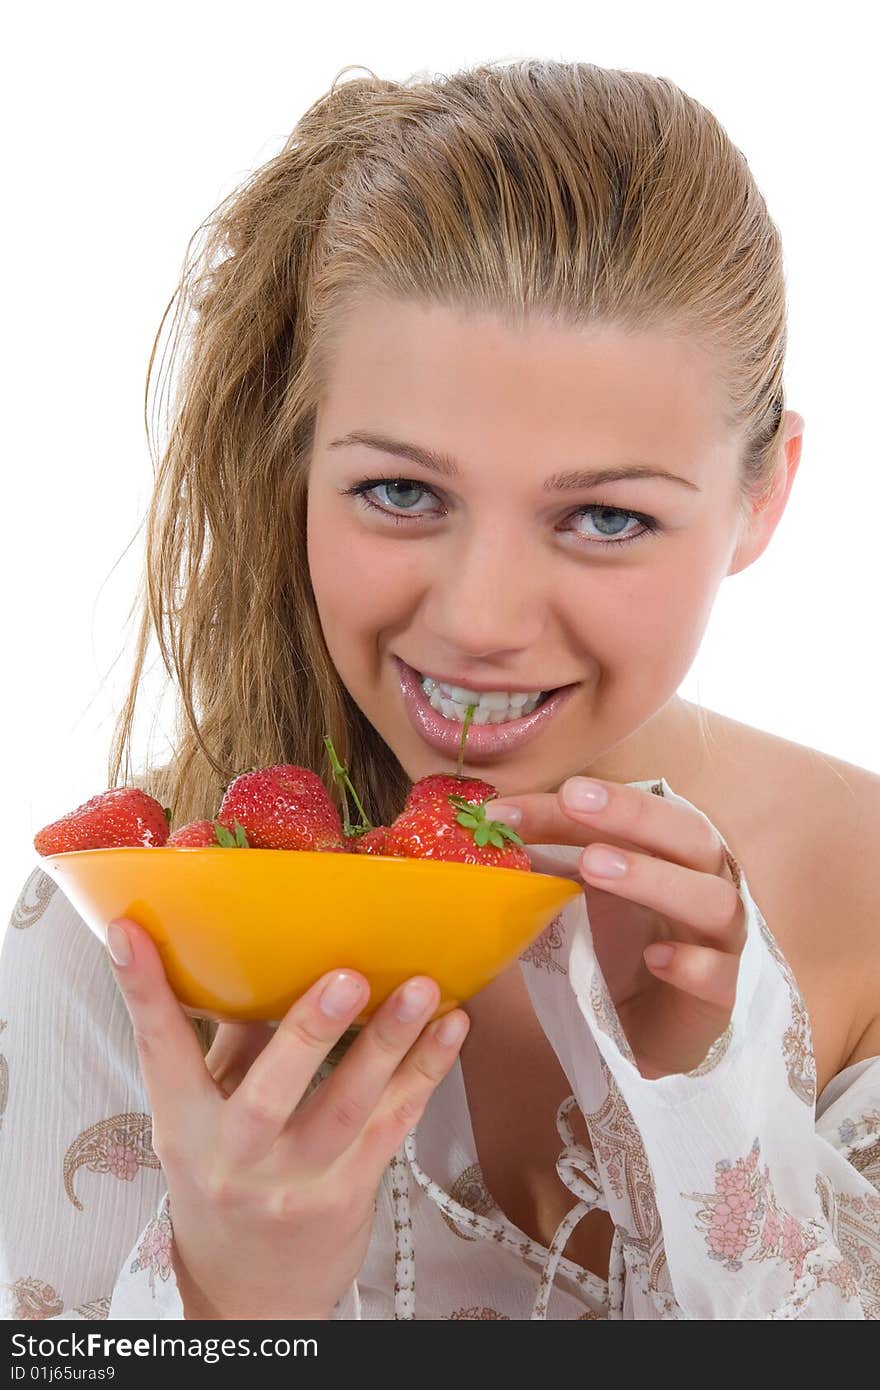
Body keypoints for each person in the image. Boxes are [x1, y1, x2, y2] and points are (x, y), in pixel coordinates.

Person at [1, 57, 878, 1322]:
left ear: (763, 495)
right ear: (299, 463)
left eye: (606, 516)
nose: (475, 619)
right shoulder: (123, 936)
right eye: (400, 493)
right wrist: (244, 1298)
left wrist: (711, 1113)